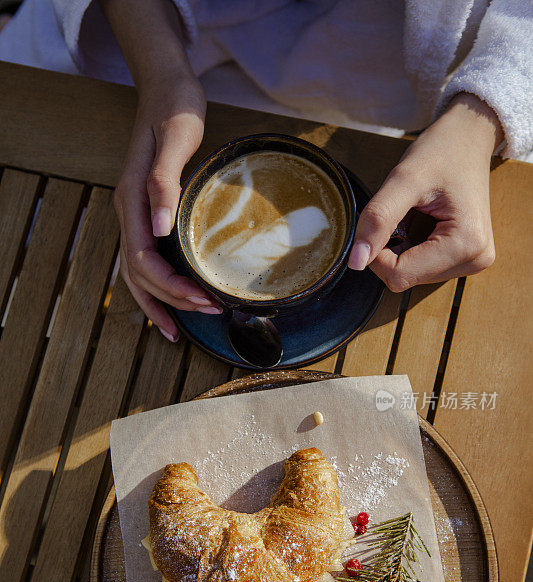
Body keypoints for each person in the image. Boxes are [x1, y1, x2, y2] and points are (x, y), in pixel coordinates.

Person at [0, 0, 531, 343]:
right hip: (135, 48)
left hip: (387, 85)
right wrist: (160, 73)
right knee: (40, 255)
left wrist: (478, 121)